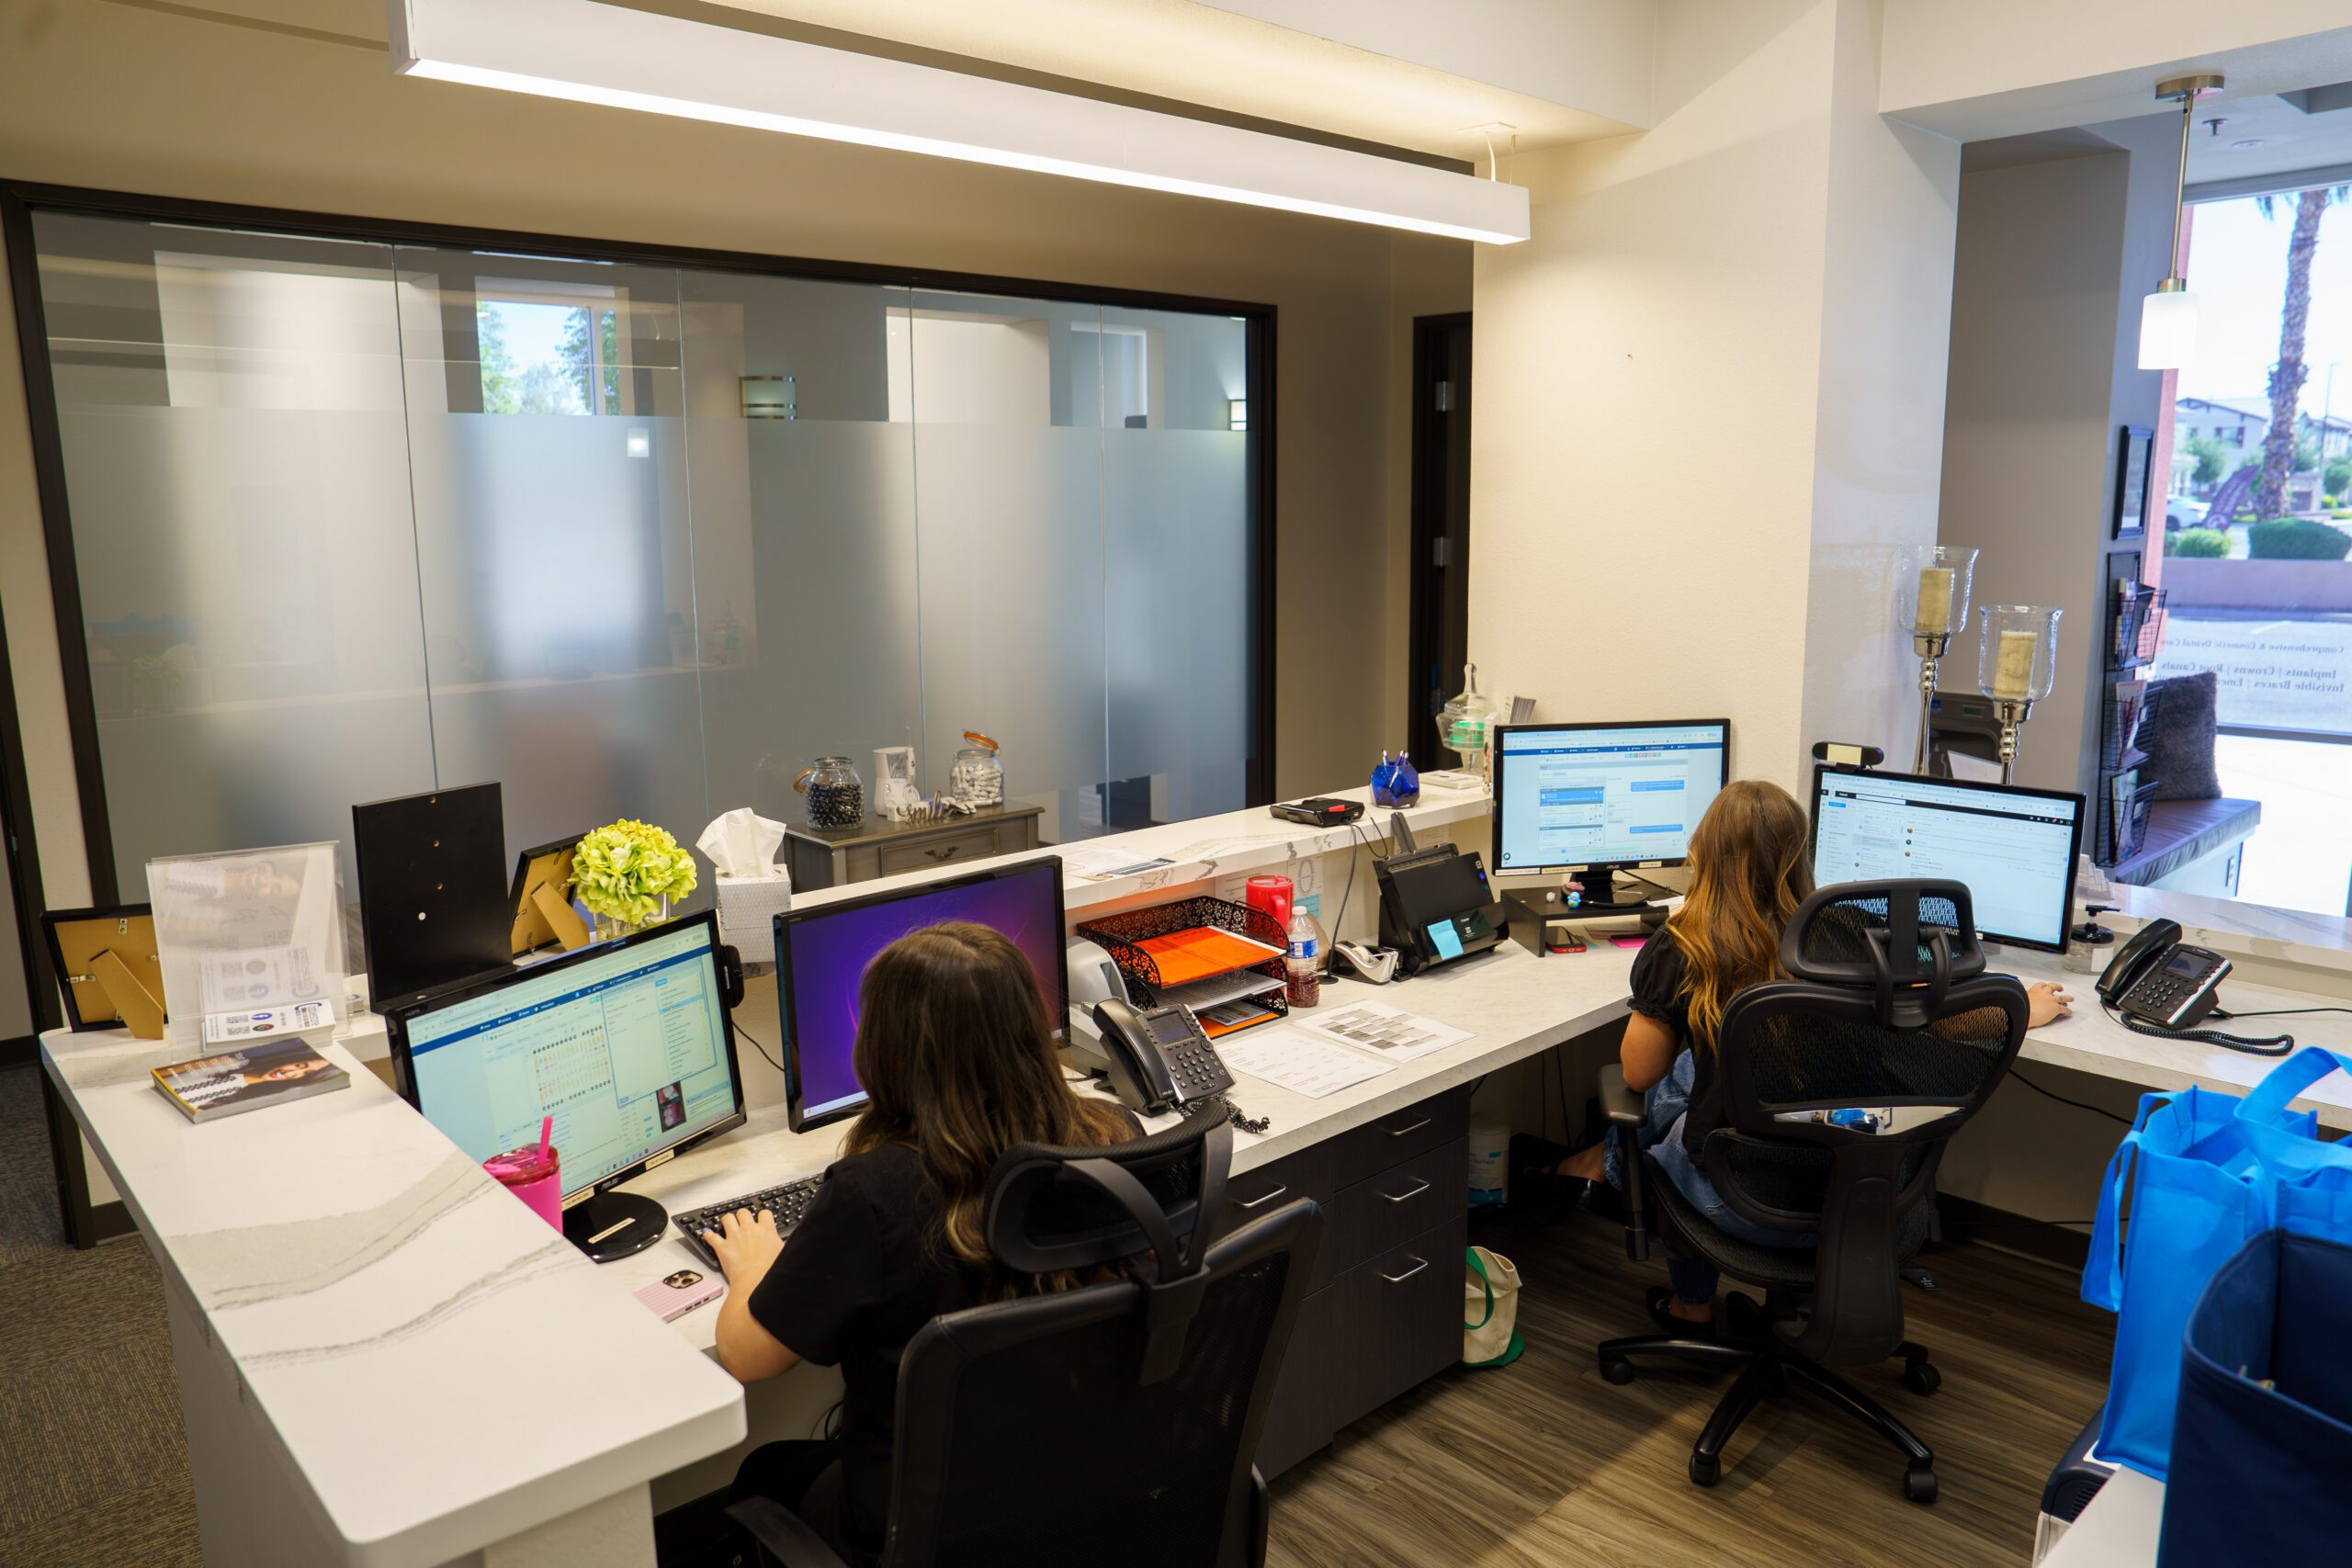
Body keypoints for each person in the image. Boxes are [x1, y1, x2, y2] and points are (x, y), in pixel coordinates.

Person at [1513, 779, 2073, 1334]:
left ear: (1703, 853)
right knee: (1694, 1075)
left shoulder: (1686, 946)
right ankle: (1598, 1163)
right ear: (1797, 856)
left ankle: (1679, 1288)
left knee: (1664, 1107)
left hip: (1737, 1203)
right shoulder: (1856, 933)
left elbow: (1637, 1072)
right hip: (1868, 1197)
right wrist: (2019, 1006)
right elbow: (1951, 1014)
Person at [698, 921, 1137, 1565]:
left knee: (767, 1471)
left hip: (923, 1526)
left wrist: (754, 1271)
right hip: (1079, 1486)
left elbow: (745, 1357)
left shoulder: (873, 1190)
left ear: (888, 1052)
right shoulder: (1109, 1137)